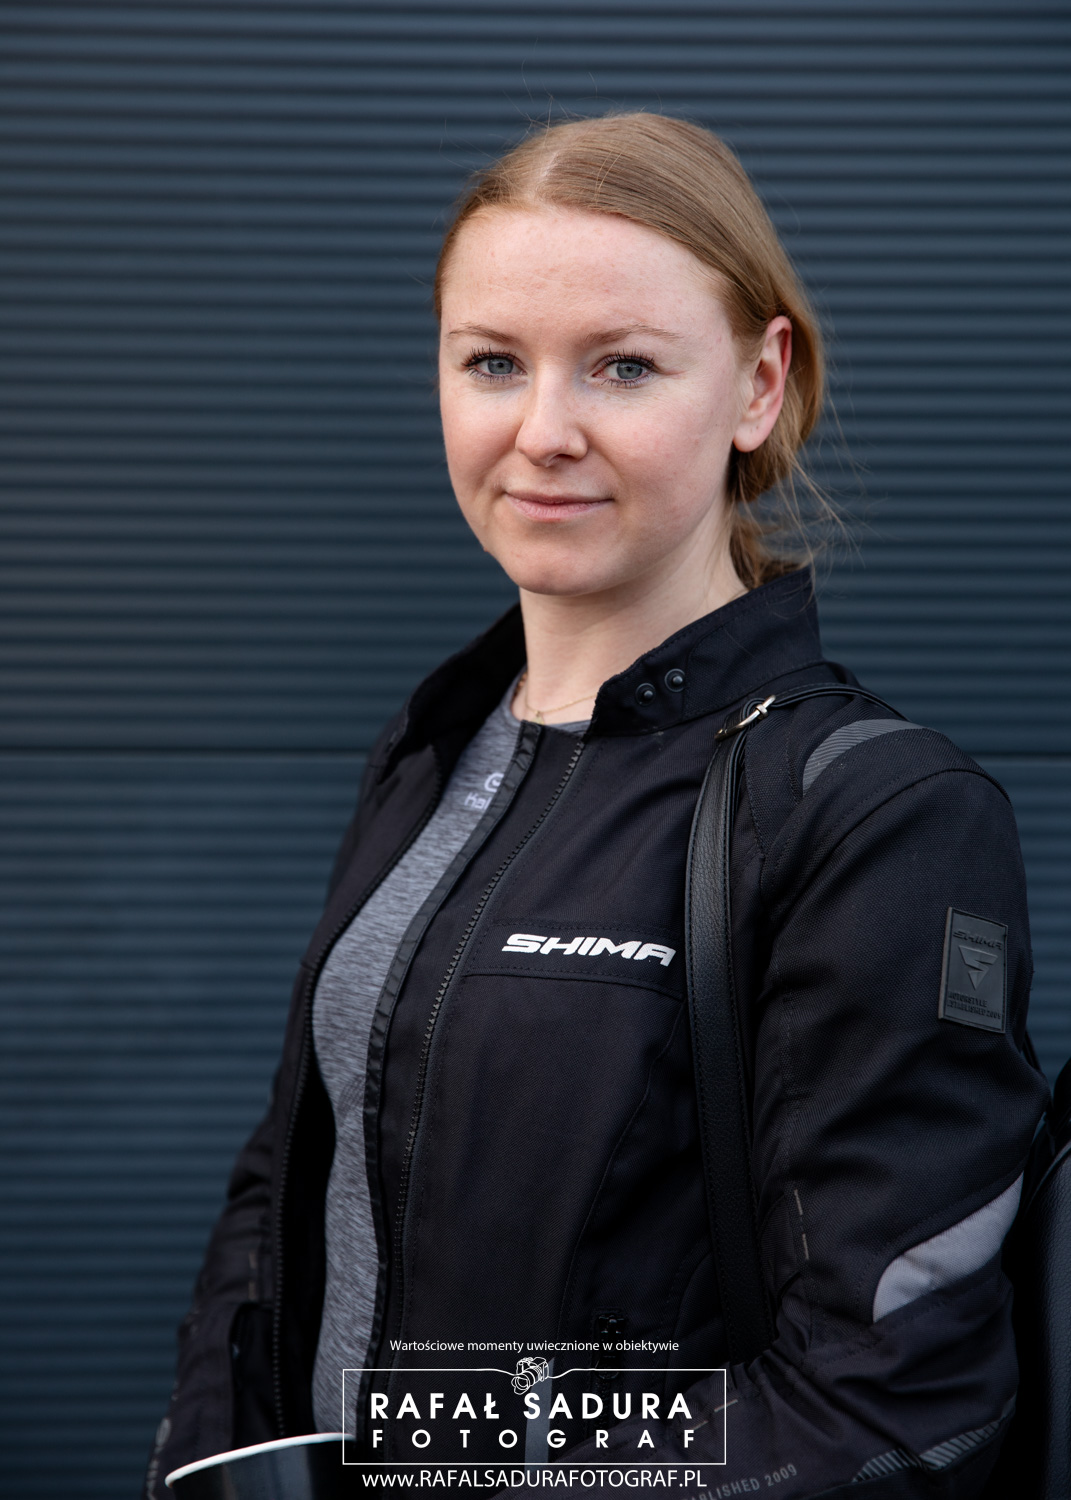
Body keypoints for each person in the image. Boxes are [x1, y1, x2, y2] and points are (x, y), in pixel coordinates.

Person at [146, 113, 1048, 1499]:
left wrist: (441, 1472)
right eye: (492, 362)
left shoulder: (877, 818)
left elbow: (892, 1406)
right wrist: (210, 1464)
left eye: (623, 366)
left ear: (758, 385)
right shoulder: (437, 750)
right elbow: (284, 1189)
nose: (543, 431)